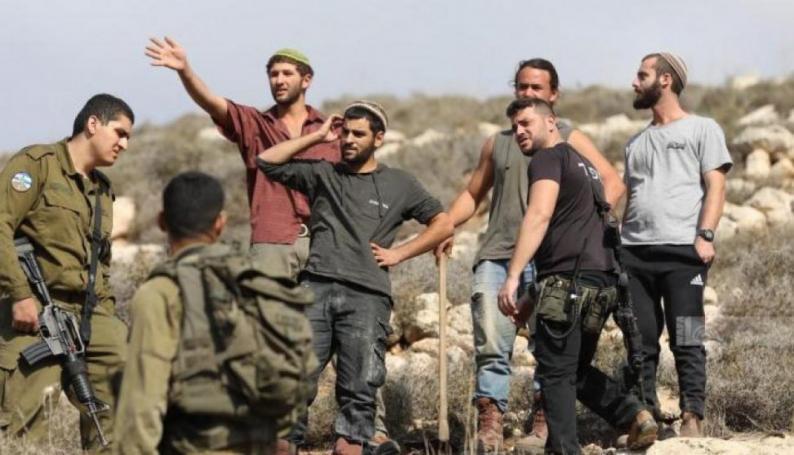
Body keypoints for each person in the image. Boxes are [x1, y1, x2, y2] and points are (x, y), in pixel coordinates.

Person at [146, 38, 396, 452]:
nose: (278, 80)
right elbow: (212, 103)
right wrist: (185, 70)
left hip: (328, 244)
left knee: (352, 331)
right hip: (272, 242)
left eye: (286, 73)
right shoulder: (254, 124)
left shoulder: (333, 129)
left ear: (306, 80)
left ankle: (367, 430)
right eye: (273, 74)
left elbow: (364, 180)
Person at [434, 58, 625, 452]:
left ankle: (544, 423)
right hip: (498, 252)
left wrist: (586, 228)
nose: (528, 92)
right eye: (522, 86)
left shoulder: (568, 138)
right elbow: (472, 194)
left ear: (553, 95)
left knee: (549, 347)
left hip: (549, 259)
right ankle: (490, 423)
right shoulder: (499, 142)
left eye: (537, 88)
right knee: (491, 341)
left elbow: (611, 182)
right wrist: (445, 226)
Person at [257, 101, 454, 455]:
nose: (348, 139)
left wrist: (400, 253)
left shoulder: (399, 183)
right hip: (315, 286)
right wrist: (317, 136)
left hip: (367, 295)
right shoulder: (323, 173)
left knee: (359, 390)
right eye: (345, 132)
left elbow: (442, 222)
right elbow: (267, 161)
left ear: (378, 138)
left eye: (358, 134)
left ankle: (351, 444)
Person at [114, 171, 317, 453]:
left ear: (162, 221)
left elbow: (143, 403)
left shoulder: (160, 293)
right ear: (221, 222)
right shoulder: (258, 281)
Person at [496, 98, 657, 454]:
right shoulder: (586, 166)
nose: (519, 131)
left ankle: (565, 449)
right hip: (599, 283)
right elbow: (574, 235)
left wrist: (513, 275)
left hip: (568, 284)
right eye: (514, 127)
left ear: (551, 122)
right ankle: (633, 414)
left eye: (526, 123)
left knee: (555, 373)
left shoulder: (548, 159)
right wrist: (532, 298)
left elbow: (539, 215)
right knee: (576, 370)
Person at [0, 94, 133, 450]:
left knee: (118, 402)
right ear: (93, 124)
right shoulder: (37, 164)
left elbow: (101, 263)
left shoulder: (102, 191)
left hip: (90, 314)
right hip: (34, 310)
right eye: (120, 133)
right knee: (27, 426)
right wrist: (20, 295)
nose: (124, 144)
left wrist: (108, 314)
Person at [621, 52, 732, 437]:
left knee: (687, 336)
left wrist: (705, 235)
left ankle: (692, 416)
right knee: (640, 342)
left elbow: (716, 186)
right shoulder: (635, 142)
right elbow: (631, 198)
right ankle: (646, 417)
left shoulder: (703, 129)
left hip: (684, 254)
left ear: (665, 80)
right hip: (634, 255)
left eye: (642, 75)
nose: (634, 82)